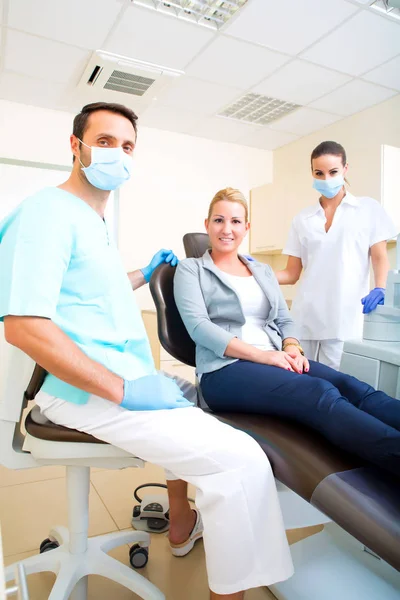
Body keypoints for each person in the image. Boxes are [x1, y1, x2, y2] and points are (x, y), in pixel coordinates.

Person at [0, 103, 294, 599]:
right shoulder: (46, 212)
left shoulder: (92, 222)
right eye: (107, 141)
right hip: (84, 389)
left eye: (128, 146)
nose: (119, 154)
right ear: (76, 146)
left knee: (199, 406)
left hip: (117, 376)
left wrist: (140, 272)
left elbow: (91, 292)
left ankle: (181, 522)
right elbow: (25, 327)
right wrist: (125, 389)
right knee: (242, 460)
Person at [174, 188, 400, 477]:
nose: (227, 229)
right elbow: (199, 328)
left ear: (247, 228)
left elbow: (284, 319)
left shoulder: (262, 271)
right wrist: (265, 357)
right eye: (219, 220)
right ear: (207, 225)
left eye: (235, 222)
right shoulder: (191, 269)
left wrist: (292, 347)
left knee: (353, 387)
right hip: (224, 371)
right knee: (319, 393)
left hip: (274, 360)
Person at [275, 141, 397, 370]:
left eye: (333, 172)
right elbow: (292, 273)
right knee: (302, 388)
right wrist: (253, 272)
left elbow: (380, 257)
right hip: (304, 321)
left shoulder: (368, 209)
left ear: (345, 169)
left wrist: (381, 287)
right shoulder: (303, 218)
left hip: (344, 320)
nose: (326, 179)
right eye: (318, 173)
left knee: (338, 389)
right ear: (311, 173)